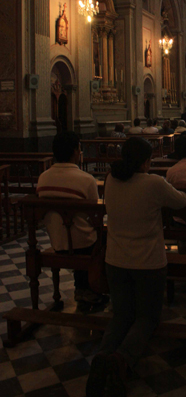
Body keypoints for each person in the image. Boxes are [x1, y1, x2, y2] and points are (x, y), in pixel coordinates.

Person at [86, 138, 186, 397]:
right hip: (148, 262)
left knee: (121, 315)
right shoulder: (153, 183)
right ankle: (121, 359)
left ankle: (102, 356)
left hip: (115, 260)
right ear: (145, 160)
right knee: (147, 317)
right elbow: (181, 202)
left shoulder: (111, 179)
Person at [36, 131, 104, 305]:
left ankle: (82, 288)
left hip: (57, 242)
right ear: (76, 151)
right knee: (102, 237)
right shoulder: (86, 179)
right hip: (84, 245)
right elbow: (95, 216)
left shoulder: (43, 178)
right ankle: (95, 287)